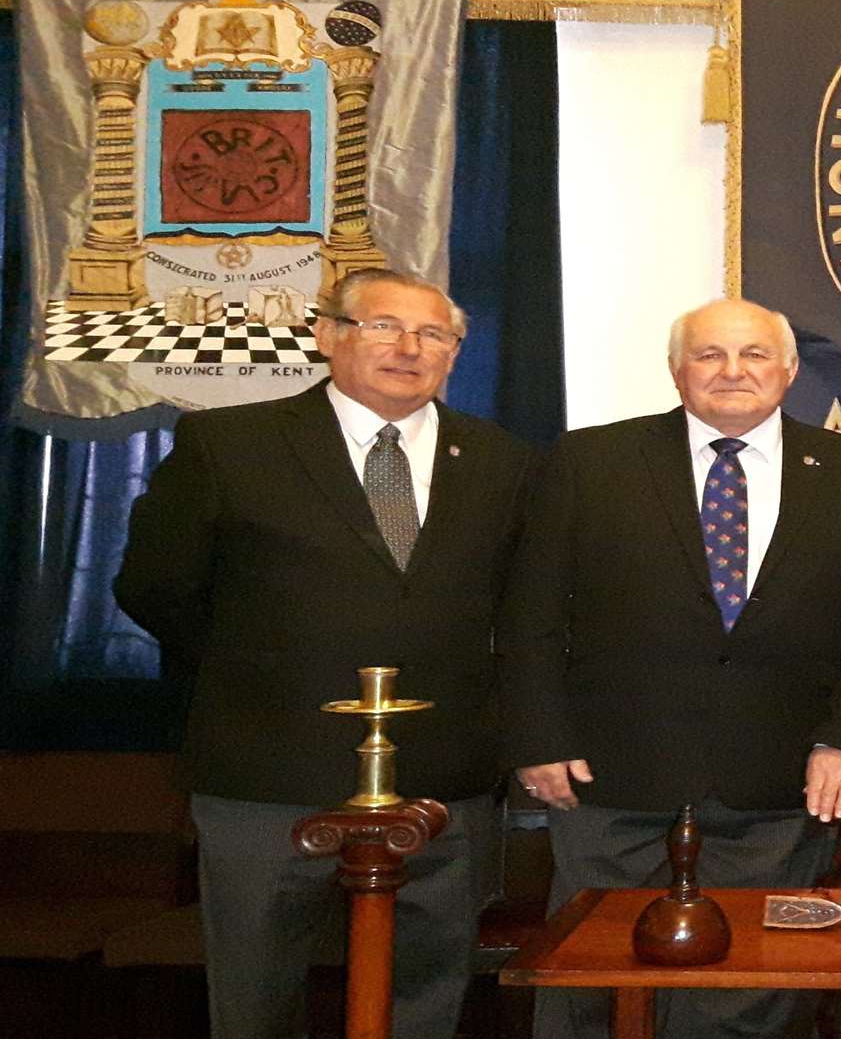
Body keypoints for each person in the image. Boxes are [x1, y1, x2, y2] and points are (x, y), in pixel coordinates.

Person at [114, 269, 534, 1039]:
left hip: (445, 778)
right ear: (327, 334)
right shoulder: (230, 444)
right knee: (254, 998)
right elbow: (156, 586)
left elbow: (526, 610)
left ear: (454, 352)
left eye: (433, 334)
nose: (409, 348)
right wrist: (267, 665)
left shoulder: (504, 461)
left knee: (429, 994)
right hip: (268, 772)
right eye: (383, 326)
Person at [501, 297, 841, 1039]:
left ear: (789, 371)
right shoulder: (588, 462)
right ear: (675, 371)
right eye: (709, 355)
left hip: (780, 779)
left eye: (754, 354)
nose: (733, 371)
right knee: (593, 982)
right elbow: (531, 615)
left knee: (751, 989)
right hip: (609, 774)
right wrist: (538, 737)